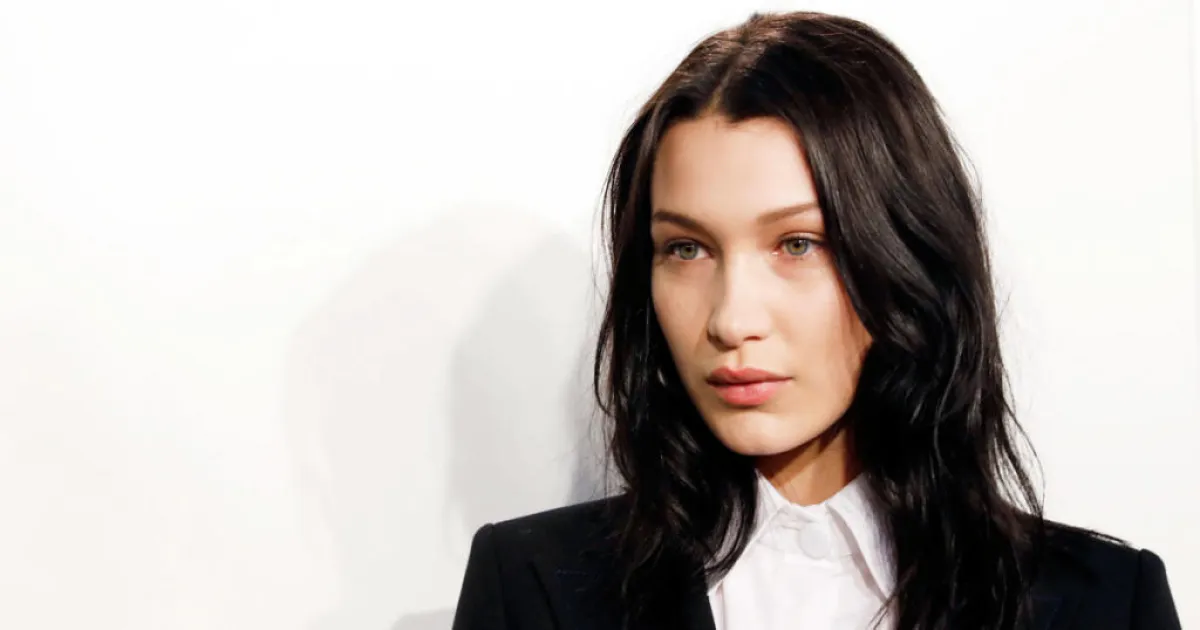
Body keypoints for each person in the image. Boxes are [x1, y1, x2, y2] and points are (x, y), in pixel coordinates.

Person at [450, 10, 1181, 630]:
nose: (732, 318)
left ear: (905, 257)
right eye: (686, 248)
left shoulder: (1104, 604)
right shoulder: (534, 588)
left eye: (799, 244)